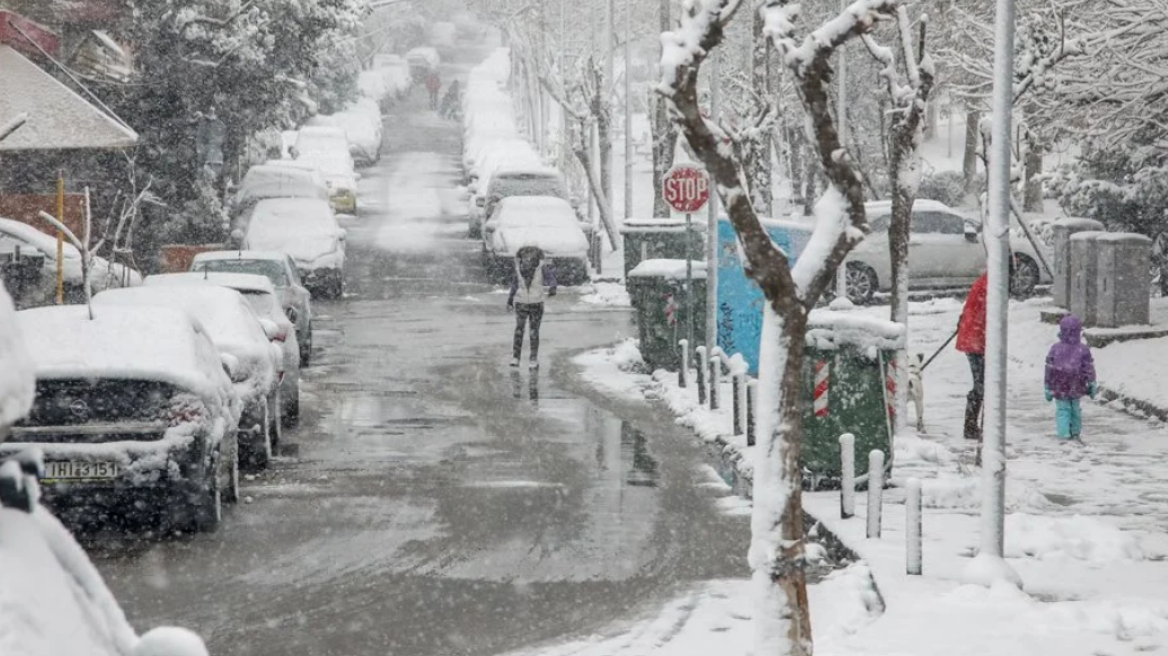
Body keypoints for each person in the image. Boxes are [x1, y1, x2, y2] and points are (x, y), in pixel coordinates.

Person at [1044, 314, 1097, 441]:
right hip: (1076, 384)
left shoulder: (1056, 348)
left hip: (1059, 384)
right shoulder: (1083, 349)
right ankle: (1075, 432)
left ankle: (1064, 434)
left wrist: (1047, 385)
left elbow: (1049, 367)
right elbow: (1088, 367)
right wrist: (1091, 381)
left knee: (1063, 410)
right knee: (1075, 409)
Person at [507, 245, 557, 369]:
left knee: (530, 331)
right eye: (525, 257)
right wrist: (510, 299)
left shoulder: (541, 268)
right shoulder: (519, 269)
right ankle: (517, 357)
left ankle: (532, 358)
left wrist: (552, 287)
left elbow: (551, 279)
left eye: (530, 257)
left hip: (536, 303)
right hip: (522, 302)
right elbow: (515, 284)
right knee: (521, 330)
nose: (527, 260)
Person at [956, 272, 987, 441]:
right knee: (981, 384)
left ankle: (972, 425)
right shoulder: (990, 286)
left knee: (982, 384)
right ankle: (970, 426)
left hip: (973, 337)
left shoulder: (986, 282)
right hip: (976, 340)